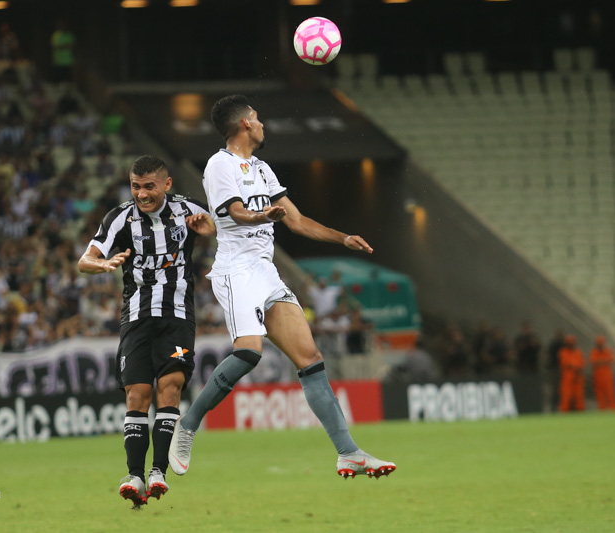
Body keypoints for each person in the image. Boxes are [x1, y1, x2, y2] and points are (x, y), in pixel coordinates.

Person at [169, 94, 395, 480]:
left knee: (311, 358)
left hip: (265, 272)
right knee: (248, 353)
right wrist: (263, 215)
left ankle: (348, 453)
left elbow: (298, 220)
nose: (262, 124)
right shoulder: (220, 165)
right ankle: (187, 424)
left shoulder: (262, 168)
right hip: (236, 271)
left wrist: (342, 238)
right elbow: (236, 214)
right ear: (244, 123)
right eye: (256, 118)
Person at [77, 155, 213, 507]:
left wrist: (211, 230)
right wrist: (101, 264)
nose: (141, 194)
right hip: (136, 318)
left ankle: (158, 472)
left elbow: (227, 228)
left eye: (149, 186)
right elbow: (84, 260)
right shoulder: (119, 218)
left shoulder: (189, 209)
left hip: (177, 316)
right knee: (137, 395)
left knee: (170, 387)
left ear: (167, 184)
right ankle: (135, 476)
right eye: (136, 186)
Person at [589, 336, 615, 410]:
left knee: (610, 392)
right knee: (600, 393)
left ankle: (613, 408)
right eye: (599, 344)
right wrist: (604, 362)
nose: (600, 345)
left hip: (607, 376)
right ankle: (602, 408)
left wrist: (600, 362)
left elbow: (611, 360)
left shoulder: (608, 351)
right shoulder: (594, 352)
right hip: (598, 377)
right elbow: (593, 362)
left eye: (601, 344)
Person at [558, 334, 585, 412]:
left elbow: (582, 364)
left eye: (573, 342)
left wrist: (577, 370)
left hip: (578, 377)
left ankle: (580, 411)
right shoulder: (563, 352)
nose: (571, 344)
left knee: (579, 396)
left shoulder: (578, 352)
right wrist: (575, 367)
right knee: (566, 395)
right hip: (568, 377)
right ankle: (564, 412)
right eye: (570, 342)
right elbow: (565, 364)